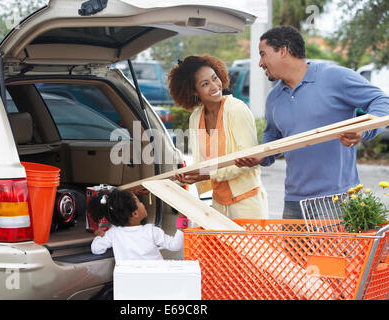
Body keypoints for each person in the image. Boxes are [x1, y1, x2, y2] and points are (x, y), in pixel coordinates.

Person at [234, 25, 389, 219]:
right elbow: (272, 137)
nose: (260, 63)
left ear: (283, 50)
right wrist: (261, 156)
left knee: (331, 252)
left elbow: (382, 101)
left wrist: (363, 131)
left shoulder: (334, 77)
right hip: (293, 202)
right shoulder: (274, 97)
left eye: (263, 54)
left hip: (336, 200)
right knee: (293, 252)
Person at [168, 55, 268, 219]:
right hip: (218, 204)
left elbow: (248, 162)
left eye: (215, 78)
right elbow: (202, 164)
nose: (215, 86)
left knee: (250, 246)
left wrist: (207, 174)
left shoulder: (237, 110)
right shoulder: (196, 117)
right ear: (193, 91)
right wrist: (187, 176)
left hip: (247, 203)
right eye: (205, 84)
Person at [89, 188, 186, 260]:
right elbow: (176, 245)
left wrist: (100, 236)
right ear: (135, 214)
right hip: (156, 281)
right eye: (139, 202)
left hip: (132, 284)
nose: (143, 204)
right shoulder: (151, 231)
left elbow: (96, 249)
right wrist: (183, 218)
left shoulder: (114, 232)